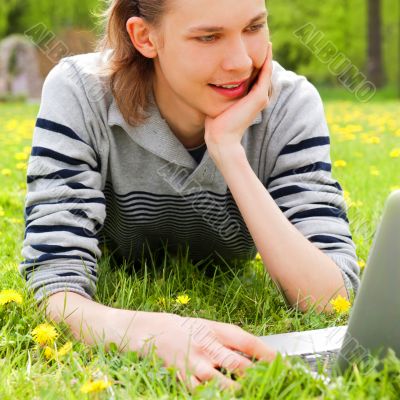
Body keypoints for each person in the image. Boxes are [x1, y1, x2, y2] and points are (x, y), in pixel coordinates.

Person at [19, 0, 360, 393]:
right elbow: (54, 290)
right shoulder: (80, 93)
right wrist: (147, 332)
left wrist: (228, 151)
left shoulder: (289, 104)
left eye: (253, 28)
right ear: (145, 37)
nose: (241, 63)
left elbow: (329, 299)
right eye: (209, 37)